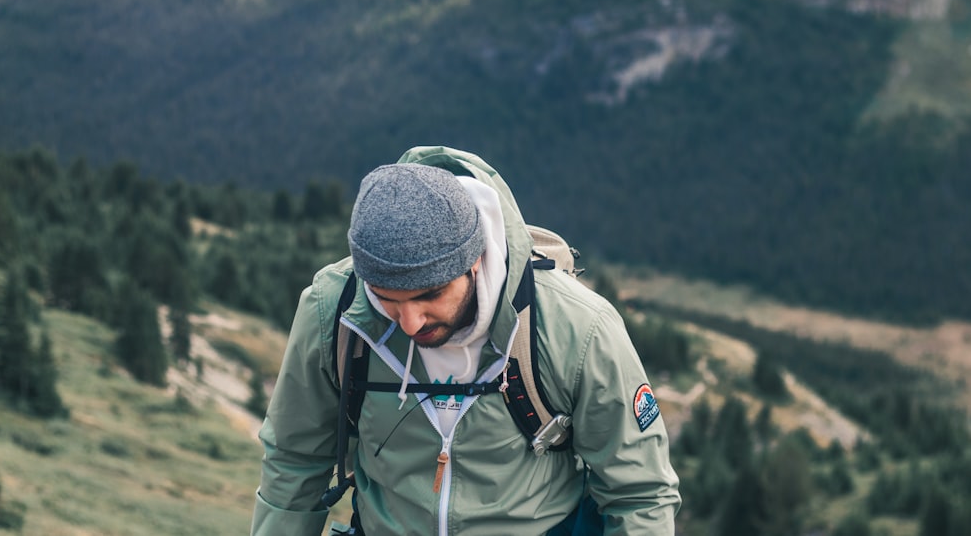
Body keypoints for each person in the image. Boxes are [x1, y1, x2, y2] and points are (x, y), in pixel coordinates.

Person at [251, 146, 680, 536]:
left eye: (429, 295)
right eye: (386, 300)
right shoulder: (333, 310)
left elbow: (639, 494)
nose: (409, 322)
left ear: (475, 258)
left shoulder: (578, 327)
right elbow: (294, 463)